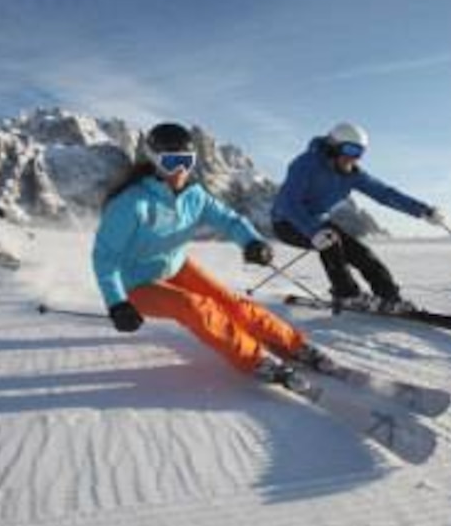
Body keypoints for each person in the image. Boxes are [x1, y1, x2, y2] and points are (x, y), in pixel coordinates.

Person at [92, 122, 333, 387]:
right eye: (172, 162)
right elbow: (106, 258)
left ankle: (294, 345)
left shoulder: (194, 196)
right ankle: (254, 359)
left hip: (175, 266)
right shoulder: (130, 202)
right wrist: (117, 303)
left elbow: (229, 220)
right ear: (153, 160)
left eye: (187, 161)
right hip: (135, 283)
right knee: (195, 306)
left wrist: (251, 241)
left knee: (230, 302)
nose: (181, 170)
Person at [271, 122, 444, 313]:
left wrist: (422, 210)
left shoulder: (352, 174)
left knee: (362, 253)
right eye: (349, 149)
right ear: (333, 146)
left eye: (359, 152)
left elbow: (385, 194)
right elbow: (289, 204)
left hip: (319, 223)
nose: (352, 157)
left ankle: (389, 298)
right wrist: (312, 231)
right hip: (287, 222)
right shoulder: (306, 164)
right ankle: (347, 295)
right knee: (330, 241)